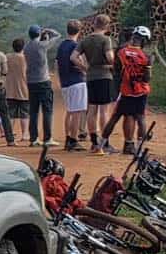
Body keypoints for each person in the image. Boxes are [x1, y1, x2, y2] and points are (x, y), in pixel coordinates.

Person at [100, 26, 153, 155]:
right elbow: (147, 78)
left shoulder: (121, 52)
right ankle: (139, 149)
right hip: (141, 91)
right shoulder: (146, 56)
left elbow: (116, 70)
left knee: (115, 116)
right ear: (144, 40)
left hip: (126, 90)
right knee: (141, 118)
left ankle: (100, 145)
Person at [79, 13, 117, 154]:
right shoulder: (106, 40)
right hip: (104, 76)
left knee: (92, 109)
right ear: (106, 25)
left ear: (94, 24)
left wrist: (86, 68)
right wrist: (113, 64)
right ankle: (104, 143)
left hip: (91, 77)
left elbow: (73, 57)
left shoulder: (85, 40)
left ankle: (94, 142)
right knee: (104, 111)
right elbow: (110, 57)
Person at [22, 25, 60, 147]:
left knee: (33, 111)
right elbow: (58, 35)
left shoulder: (26, 48)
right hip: (43, 81)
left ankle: (34, 139)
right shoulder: (42, 45)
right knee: (47, 110)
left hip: (31, 82)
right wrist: (48, 31)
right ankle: (47, 138)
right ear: (39, 34)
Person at [55, 20, 88, 151]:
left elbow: (57, 64)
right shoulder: (76, 45)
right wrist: (85, 69)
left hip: (65, 82)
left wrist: (60, 79)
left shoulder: (61, 45)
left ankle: (68, 138)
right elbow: (77, 59)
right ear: (79, 31)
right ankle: (73, 140)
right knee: (77, 112)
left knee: (70, 111)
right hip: (76, 81)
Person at [5, 37, 29, 144]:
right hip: (24, 89)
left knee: (11, 114)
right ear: (23, 47)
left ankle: (10, 135)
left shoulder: (7, 57)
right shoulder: (25, 58)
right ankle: (25, 134)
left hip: (10, 89)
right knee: (25, 113)